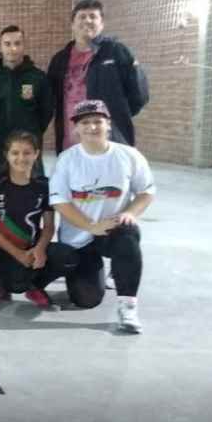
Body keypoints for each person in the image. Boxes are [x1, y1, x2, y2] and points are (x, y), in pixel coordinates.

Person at [41, 100, 155, 333]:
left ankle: (128, 306)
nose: (92, 127)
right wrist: (90, 226)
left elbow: (146, 192)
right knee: (86, 299)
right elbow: (59, 201)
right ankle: (96, 273)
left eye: (97, 122)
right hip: (79, 237)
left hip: (112, 231)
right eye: (85, 123)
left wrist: (129, 213)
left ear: (108, 125)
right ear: (76, 128)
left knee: (129, 233)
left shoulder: (128, 155)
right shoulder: (68, 159)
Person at [47, 0, 149, 153]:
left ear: (102, 24)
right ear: (72, 24)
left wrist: (118, 115)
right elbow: (51, 98)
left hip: (109, 141)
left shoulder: (116, 52)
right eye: (82, 16)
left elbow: (139, 94)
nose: (87, 20)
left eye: (93, 16)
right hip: (70, 141)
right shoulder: (60, 59)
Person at [0, 131, 56, 308]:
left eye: (27, 153)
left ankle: (35, 286)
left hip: (32, 246)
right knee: (16, 284)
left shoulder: (44, 185)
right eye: (15, 153)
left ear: (36, 154)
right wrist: (18, 254)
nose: (21, 158)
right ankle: (5, 280)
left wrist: (40, 249)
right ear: (7, 155)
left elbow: (49, 226)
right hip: (2, 249)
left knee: (68, 258)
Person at [0, 24, 54, 181]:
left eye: (17, 43)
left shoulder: (38, 77)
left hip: (28, 146)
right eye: (7, 44)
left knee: (32, 187)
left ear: (24, 45)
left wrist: (31, 129)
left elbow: (46, 111)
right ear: (0, 46)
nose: (12, 48)